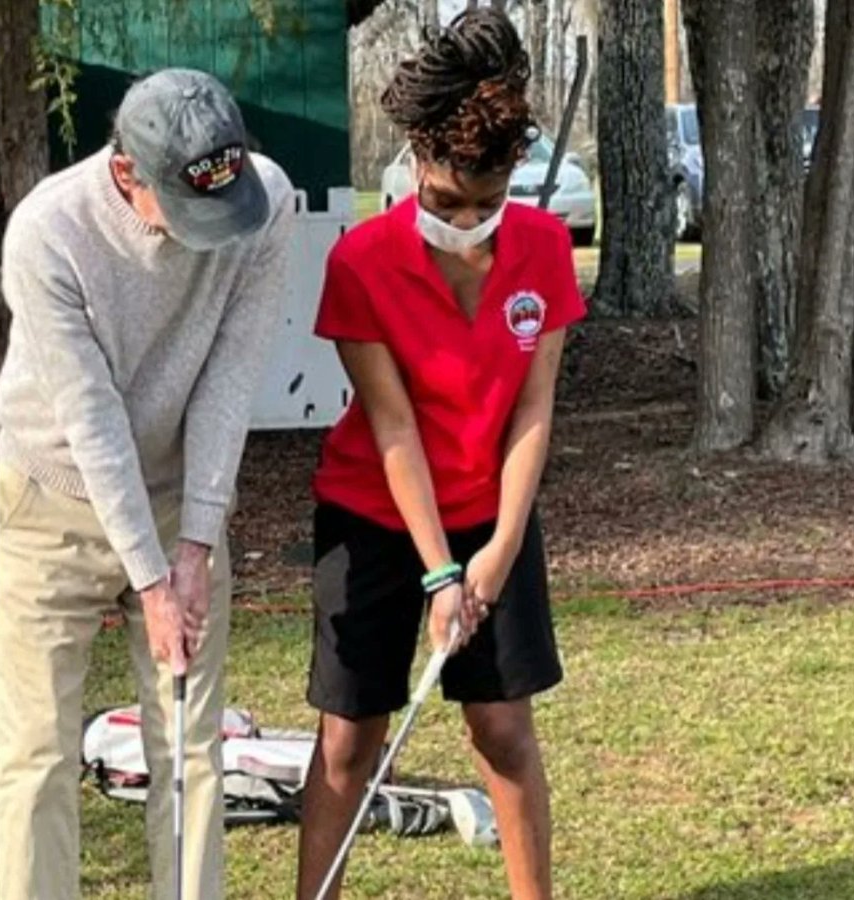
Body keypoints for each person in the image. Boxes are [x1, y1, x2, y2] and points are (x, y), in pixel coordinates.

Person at [295, 10, 585, 900]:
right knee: (350, 738)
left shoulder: (541, 249)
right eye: (446, 200)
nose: (466, 220)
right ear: (417, 161)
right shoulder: (362, 261)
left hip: (492, 508)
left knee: (501, 727)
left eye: (486, 202)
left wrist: (493, 555)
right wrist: (439, 577)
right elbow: (393, 429)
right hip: (377, 514)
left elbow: (532, 414)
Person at [0, 69, 293, 900]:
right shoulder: (47, 233)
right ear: (129, 173)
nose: (214, 234)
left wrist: (195, 541)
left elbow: (233, 375)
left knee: (192, 747)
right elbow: (90, 420)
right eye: (192, 211)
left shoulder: (263, 206)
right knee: (39, 754)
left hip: (175, 500)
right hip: (50, 496)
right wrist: (151, 579)